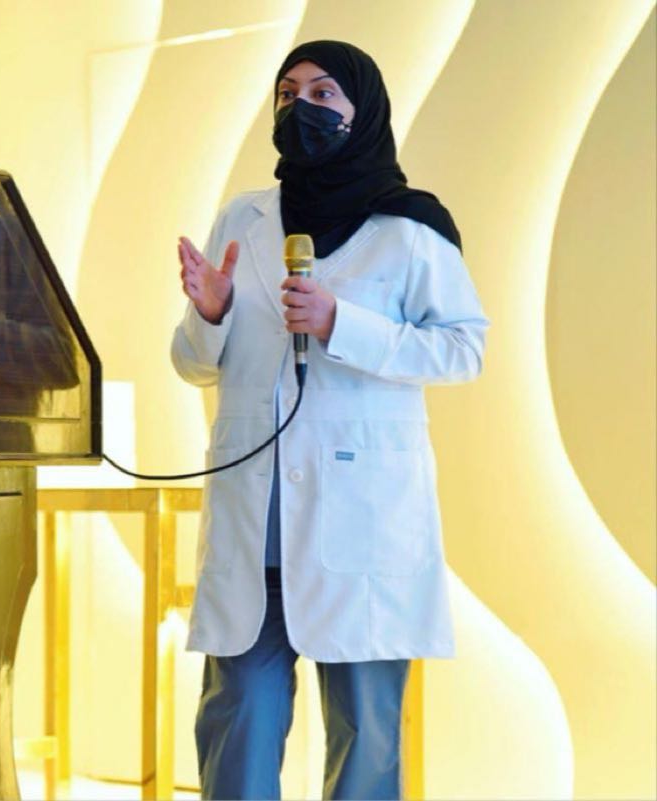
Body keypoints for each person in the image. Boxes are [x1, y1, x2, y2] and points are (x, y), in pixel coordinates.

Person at [170, 40, 488, 800]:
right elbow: (192, 364)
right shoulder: (243, 218)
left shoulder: (411, 228)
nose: (300, 108)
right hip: (257, 530)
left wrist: (342, 322)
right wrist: (210, 314)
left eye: (322, 93)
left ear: (362, 109)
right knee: (238, 726)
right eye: (287, 94)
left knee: (366, 738)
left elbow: (463, 349)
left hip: (362, 529)